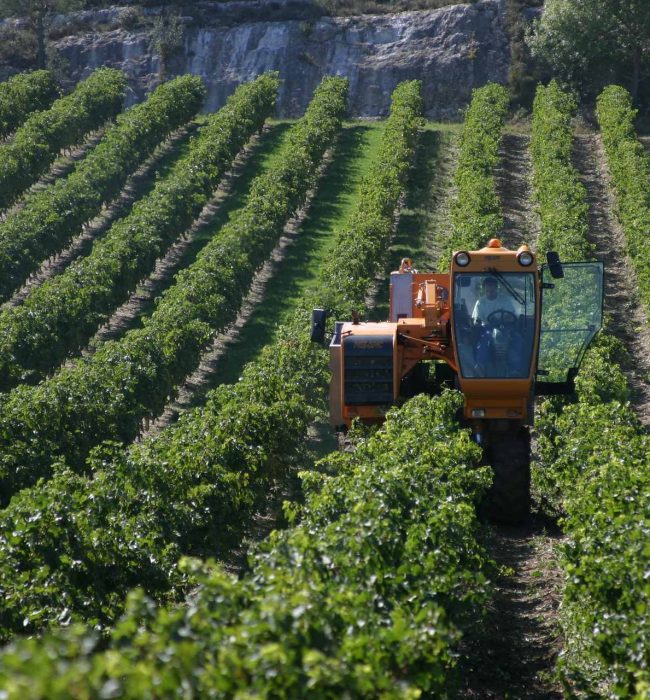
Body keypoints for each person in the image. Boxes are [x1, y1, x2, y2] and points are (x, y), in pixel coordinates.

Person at [471, 277, 523, 376]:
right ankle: (480, 366)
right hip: (488, 329)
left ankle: (515, 370)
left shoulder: (504, 300)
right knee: (483, 340)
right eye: (487, 291)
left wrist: (505, 319)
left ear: (496, 289)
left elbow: (511, 316)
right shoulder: (481, 303)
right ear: (484, 290)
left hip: (506, 329)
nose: (490, 293)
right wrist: (477, 323)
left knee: (517, 339)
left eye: (492, 290)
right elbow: (477, 319)